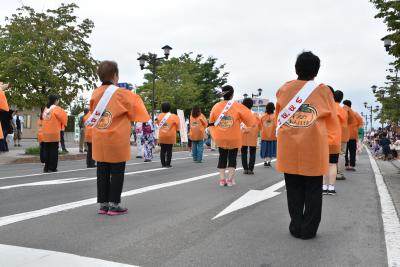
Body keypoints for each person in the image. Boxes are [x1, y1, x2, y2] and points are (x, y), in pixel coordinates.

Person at [276, 51, 338, 239]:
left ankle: (296, 225)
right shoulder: (323, 91)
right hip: (314, 146)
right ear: (316, 71)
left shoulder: (284, 89)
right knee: (313, 189)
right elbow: (332, 121)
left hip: (289, 146)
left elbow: (279, 117)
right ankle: (309, 229)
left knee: (293, 189)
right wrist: (333, 146)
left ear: (296, 68)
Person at [88, 60, 149, 216]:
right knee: (117, 171)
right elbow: (139, 113)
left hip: (100, 138)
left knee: (101, 171)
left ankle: (103, 204)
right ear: (115, 76)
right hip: (116, 138)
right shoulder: (123, 93)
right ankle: (114, 205)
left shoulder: (95, 93)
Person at [209, 85, 254, 186]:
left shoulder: (216, 106)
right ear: (232, 94)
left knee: (222, 156)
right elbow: (250, 120)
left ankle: (222, 180)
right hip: (234, 136)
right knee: (232, 158)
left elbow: (211, 122)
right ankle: (229, 180)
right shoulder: (237, 106)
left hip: (220, 136)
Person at [322, 86, 342, 195]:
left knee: (324, 163)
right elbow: (344, 122)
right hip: (335, 139)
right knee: (333, 164)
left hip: (322, 139)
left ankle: (324, 186)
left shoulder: (322, 106)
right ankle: (331, 188)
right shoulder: (340, 108)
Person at [41, 94, 68, 172]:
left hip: (45, 133)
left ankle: (46, 167)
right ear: (55, 100)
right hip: (53, 133)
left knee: (47, 150)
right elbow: (64, 117)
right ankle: (52, 167)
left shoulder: (46, 109)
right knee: (53, 151)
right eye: (58, 100)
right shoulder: (56, 109)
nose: (58, 101)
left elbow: (43, 118)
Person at [240, 98, 261, 174]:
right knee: (252, 152)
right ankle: (251, 169)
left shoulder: (240, 114)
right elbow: (259, 125)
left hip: (243, 134)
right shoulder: (255, 115)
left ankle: (245, 168)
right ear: (252, 105)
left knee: (244, 152)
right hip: (252, 135)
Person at [157, 102, 180, 168]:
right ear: (169, 108)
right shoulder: (174, 116)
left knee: (162, 150)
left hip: (162, 135)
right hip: (170, 136)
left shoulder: (159, 116)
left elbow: (157, 123)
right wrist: (177, 129)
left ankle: (163, 164)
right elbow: (178, 125)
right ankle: (168, 164)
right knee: (169, 150)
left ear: (162, 108)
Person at [335, 90, 352, 180]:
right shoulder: (344, 110)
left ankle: (328, 173)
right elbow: (351, 121)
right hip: (343, 134)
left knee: (329, 154)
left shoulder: (329, 107)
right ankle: (339, 174)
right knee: (341, 154)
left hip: (330, 134)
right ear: (341, 99)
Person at [343, 100, 363, 171]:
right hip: (353, 135)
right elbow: (361, 123)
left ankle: (345, 165)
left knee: (344, 151)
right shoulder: (355, 113)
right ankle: (351, 165)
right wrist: (356, 128)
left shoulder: (342, 112)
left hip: (344, 135)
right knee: (352, 151)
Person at [260, 102, 277, 167]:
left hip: (264, 135)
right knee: (271, 149)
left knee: (265, 149)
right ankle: (269, 162)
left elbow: (260, 125)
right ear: (273, 108)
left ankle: (265, 161)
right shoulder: (275, 116)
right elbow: (277, 125)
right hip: (273, 136)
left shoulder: (262, 116)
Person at [0, 82, 10, 153]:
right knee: (3, 138)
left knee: (3, 138)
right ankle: (4, 148)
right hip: (4, 127)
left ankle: (4, 148)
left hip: (4, 127)